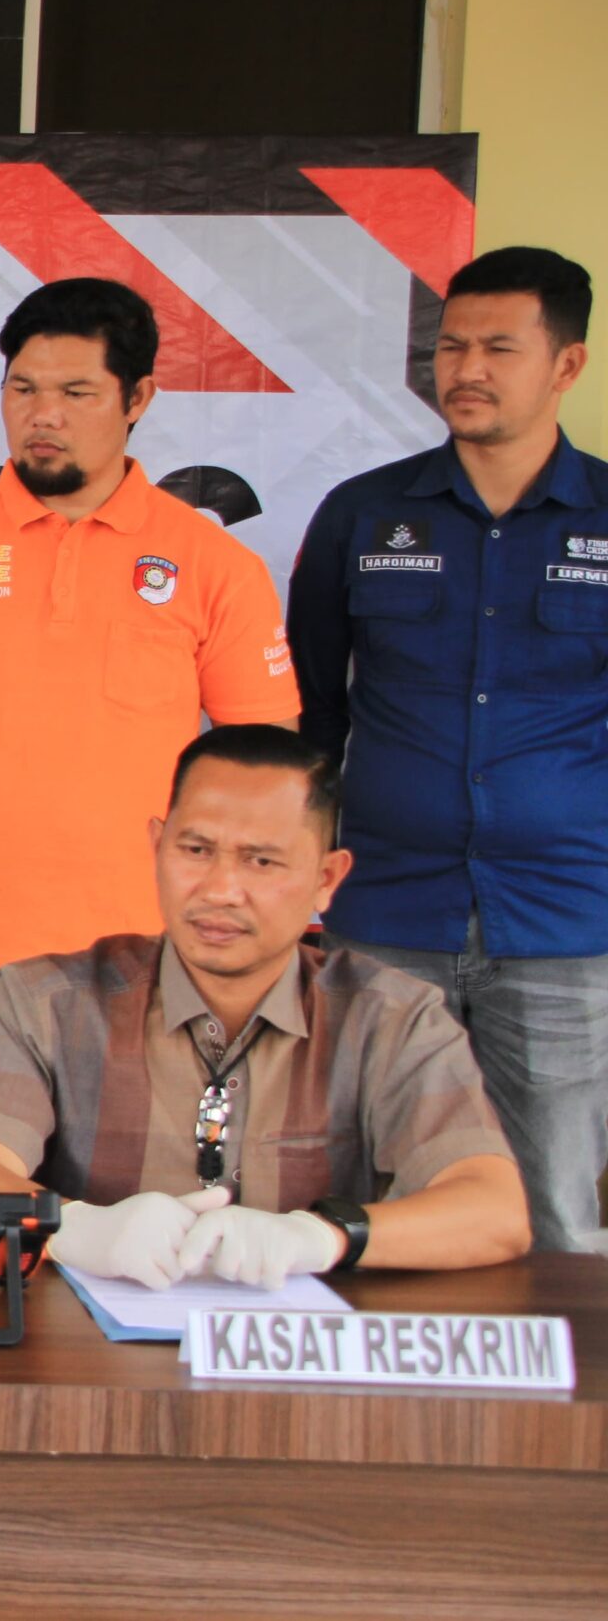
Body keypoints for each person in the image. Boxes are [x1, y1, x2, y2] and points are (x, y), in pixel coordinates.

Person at [0, 278, 300, 1175]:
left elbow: (262, 761)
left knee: (141, 1206)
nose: (42, 414)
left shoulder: (212, 563)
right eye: (22, 388)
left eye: (76, 392)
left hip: (141, 956)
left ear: (138, 398)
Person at [0, 726, 528, 1289]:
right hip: (78, 1346)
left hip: (297, 1348)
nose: (219, 890)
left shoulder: (391, 1018)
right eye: (196, 849)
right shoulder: (43, 1002)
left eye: (260, 861)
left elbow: (494, 1210)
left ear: (326, 878)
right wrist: (72, 1227)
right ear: (157, 847)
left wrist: (323, 1236)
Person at [289, 245, 606, 1254]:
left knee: (554, 1214)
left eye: (498, 348)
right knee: (351, 1205)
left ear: (566, 365)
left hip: (564, 924)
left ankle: (558, 1371)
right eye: (451, 346)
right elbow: (313, 714)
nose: (465, 369)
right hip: (385, 911)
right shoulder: (362, 512)